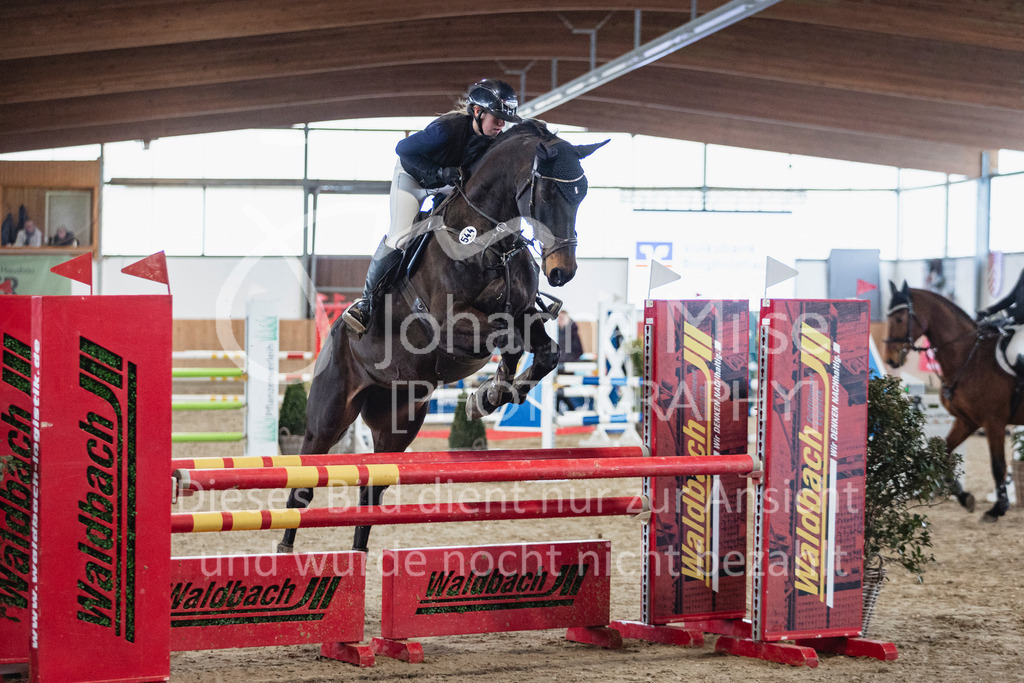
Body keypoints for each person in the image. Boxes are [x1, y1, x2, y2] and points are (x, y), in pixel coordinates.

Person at [342, 78, 522, 337]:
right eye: (497, 118)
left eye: (505, 120)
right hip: (414, 177)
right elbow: (403, 150)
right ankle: (366, 304)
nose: (501, 125)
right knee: (401, 237)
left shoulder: (494, 141)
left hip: (448, 185)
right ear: (477, 112)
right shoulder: (446, 130)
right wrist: (438, 172)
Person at [978, 267, 1024, 373]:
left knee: (1013, 351)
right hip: (1018, 322)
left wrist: (1006, 313)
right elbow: (1011, 298)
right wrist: (989, 310)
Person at [555, 310, 585, 413]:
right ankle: (567, 411)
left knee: (561, 392)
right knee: (557, 392)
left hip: (567, 368)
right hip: (556, 367)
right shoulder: (556, 332)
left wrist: (567, 360)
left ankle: (571, 410)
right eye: (559, 318)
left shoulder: (573, 332)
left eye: (562, 318)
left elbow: (579, 351)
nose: (560, 321)